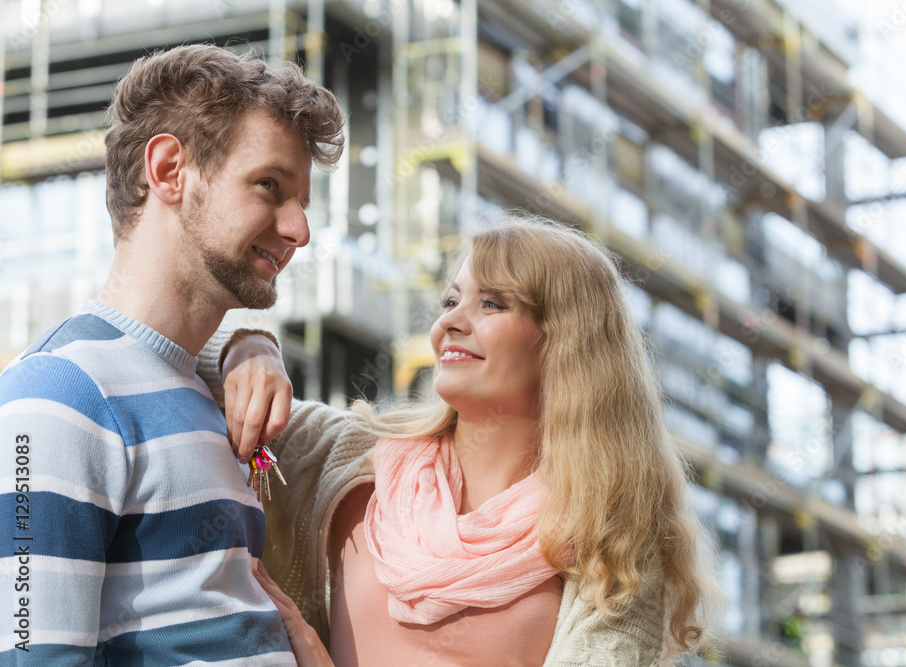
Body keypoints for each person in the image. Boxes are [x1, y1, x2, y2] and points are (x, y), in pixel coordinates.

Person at [197, 217, 723, 666]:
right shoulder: (348, 459)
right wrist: (249, 346)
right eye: (451, 299)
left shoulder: (616, 538)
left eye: (492, 303)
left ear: (566, 342)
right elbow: (161, 343)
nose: (450, 320)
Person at [0, 44, 344, 664]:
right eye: (269, 186)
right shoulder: (55, 397)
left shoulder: (209, 391)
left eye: (302, 203)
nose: (300, 229)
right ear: (169, 171)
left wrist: (248, 346)